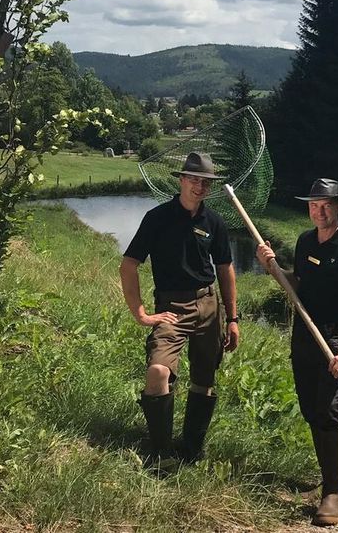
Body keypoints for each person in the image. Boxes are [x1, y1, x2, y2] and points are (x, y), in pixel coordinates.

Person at [256, 178, 338, 527]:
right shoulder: (305, 241)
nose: (319, 211)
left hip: (337, 340)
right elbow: (297, 286)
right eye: (313, 205)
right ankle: (327, 475)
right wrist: (273, 268)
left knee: (329, 409)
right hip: (304, 338)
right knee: (311, 409)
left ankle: (334, 492)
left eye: (325, 205)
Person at [120, 151, 239, 464]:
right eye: (194, 180)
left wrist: (233, 318)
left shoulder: (214, 221)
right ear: (182, 180)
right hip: (171, 306)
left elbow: (226, 269)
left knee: (205, 379)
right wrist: (141, 313)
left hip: (210, 304)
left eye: (205, 183)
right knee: (158, 371)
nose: (199, 187)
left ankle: (191, 447)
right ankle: (161, 453)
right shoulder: (157, 218)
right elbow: (129, 264)